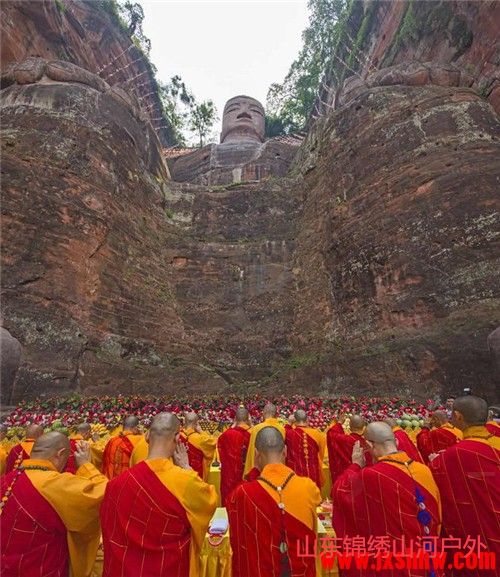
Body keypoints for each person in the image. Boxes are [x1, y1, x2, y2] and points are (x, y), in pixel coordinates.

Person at [100, 413, 217, 577]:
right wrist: (186, 467)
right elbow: (209, 502)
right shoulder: (185, 481)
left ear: (147, 436)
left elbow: (110, 534)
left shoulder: (116, 485)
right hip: (168, 569)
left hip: (126, 570)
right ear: (177, 438)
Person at [333, 422, 442, 577]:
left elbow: (340, 491)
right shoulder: (424, 470)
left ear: (369, 445)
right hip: (429, 558)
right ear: (396, 441)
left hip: (397, 564)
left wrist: (355, 464)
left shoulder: (372, 475)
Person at [0, 431, 107, 577]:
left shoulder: (5, 481)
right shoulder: (54, 484)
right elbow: (103, 494)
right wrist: (85, 465)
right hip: (40, 569)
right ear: (60, 454)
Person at [227, 426, 321, 577]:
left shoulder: (243, 494)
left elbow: (239, 543)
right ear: (285, 451)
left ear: (256, 454)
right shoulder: (308, 487)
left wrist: (253, 473)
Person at [430, 396, 500, 577]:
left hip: (479, 538)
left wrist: (436, 462)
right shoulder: (496, 445)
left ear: (458, 416)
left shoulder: (450, 457)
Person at [217, 406, 251, 505]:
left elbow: (220, 453)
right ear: (248, 419)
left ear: (235, 419)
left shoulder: (226, 435)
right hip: (248, 476)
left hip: (230, 477)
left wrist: (231, 427)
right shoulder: (253, 433)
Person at [285, 409, 326, 489]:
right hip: (313, 474)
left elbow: (283, 433)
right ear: (307, 420)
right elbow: (321, 454)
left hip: (296, 475)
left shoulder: (290, 433)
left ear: (294, 420)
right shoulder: (317, 434)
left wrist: (289, 423)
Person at [326, 415, 372, 486]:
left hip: (346, 479)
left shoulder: (345, 440)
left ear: (349, 427)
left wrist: (339, 423)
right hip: (364, 480)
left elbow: (331, 434)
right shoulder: (369, 444)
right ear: (364, 427)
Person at [244, 403, 285, 476]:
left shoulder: (256, 429)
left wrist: (250, 473)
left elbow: (252, 454)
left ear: (263, 414)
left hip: (260, 472)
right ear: (277, 415)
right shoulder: (282, 429)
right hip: (278, 472)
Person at [179, 412, 216, 481]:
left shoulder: (177, 436)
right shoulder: (200, 438)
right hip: (196, 474)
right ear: (196, 423)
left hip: (180, 473)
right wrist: (201, 431)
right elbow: (213, 442)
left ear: (184, 422)